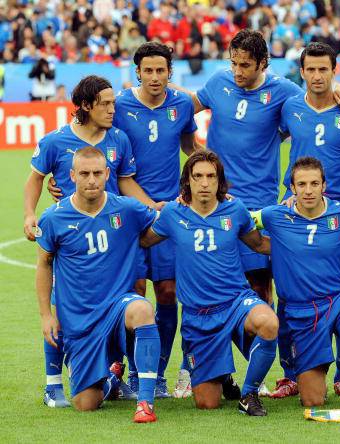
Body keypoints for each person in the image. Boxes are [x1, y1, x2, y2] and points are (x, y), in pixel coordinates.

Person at [185, 29, 340, 399]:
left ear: (263, 63)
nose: (237, 70)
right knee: (211, 287)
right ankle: (205, 367)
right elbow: (181, 110)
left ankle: (274, 370)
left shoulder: (284, 93)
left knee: (262, 289)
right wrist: (195, 154)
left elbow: (317, 97)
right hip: (215, 206)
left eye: (245, 64)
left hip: (262, 206)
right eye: (233, 62)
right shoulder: (217, 83)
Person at [49, 42, 198, 398]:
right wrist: (61, 181)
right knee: (132, 293)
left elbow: (192, 144)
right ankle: (125, 372)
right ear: (137, 73)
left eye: (161, 70)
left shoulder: (180, 104)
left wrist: (210, 179)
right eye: (148, 70)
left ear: (170, 73)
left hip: (160, 214)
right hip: (125, 219)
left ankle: (156, 373)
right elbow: (78, 132)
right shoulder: (120, 105)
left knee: (167, 291)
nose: (155, 77)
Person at [24, 75, 138, 408]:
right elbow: (35, 179)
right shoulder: (55, 141)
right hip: (72, 240)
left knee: (127, 302)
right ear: (85, 106)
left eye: (114, 102)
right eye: (104, 103)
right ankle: (52, 384)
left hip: (114, 239)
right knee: (61, 306)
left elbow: (126, 184)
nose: (112, 109)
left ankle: (115, 372)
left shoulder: (119, 139)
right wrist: (30, 214)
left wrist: (152, 209)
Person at [140, 151, 278, 416]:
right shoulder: (172, 213)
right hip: (198, 316)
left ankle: (248, 394)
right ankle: (222, 374)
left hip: (236, 302)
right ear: (188, 181)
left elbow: (259, 244)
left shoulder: (235, 210)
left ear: (219, 181)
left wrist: (299, 244)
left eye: (211, 176)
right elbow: (143, 240)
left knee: (268, 322)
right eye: (198, 176)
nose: (205, 183)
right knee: (206, 403)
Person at [278, 41, 340, 398]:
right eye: (311, 69)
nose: (318, 75)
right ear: (301, 72)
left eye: (325, 69)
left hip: (338, 215)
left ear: (335, 71)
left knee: (339, 291)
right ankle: (290, 371)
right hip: (294, 211)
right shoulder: (290, 106)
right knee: (289, 290)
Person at [35, 147, 160, 422]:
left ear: (106, 174)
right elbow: (44, 265)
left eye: (96, 173)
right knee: (85, 404)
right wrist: (46, 315)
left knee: (142, 309)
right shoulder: (53, 217)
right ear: (72, 176)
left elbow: (162, 223)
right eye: (84, 173)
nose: (91, 180)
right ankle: (109, 381)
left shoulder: (126, 209)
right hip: (81, 321)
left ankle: (145, 402)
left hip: (117, 308)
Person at [253, 157, 340, 413]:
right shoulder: (274, 215)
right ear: (292, 188)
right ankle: (317, 374)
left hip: (339, 299)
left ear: (324, 185)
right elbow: (237, 219)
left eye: (314, 183)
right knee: (313, 400)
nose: (308, 190)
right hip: (302, 312)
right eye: (301, 184)